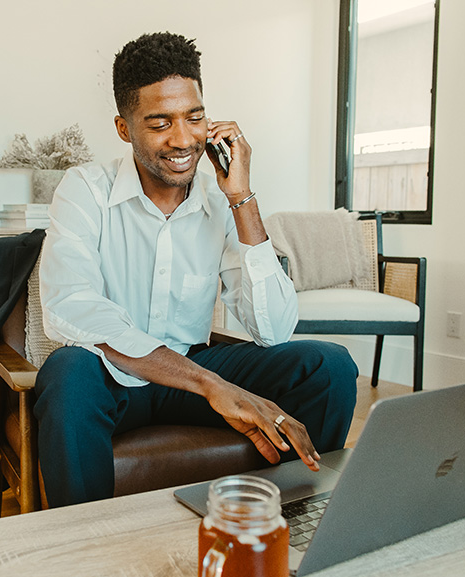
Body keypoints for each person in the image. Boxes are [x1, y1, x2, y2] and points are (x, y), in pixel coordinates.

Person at [35, 32, 358, 507]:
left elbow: (274, 329)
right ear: (125, 129)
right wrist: (213, 386)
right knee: (67, 372)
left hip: (189, 372)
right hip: (113, 378)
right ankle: (88, 542)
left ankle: (289, 519)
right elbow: (73, 308)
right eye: (160, 123)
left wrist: (241, 198)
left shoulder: (217, 199)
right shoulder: (84, 189)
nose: (183, 138)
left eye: (195, 117)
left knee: (328, 367)